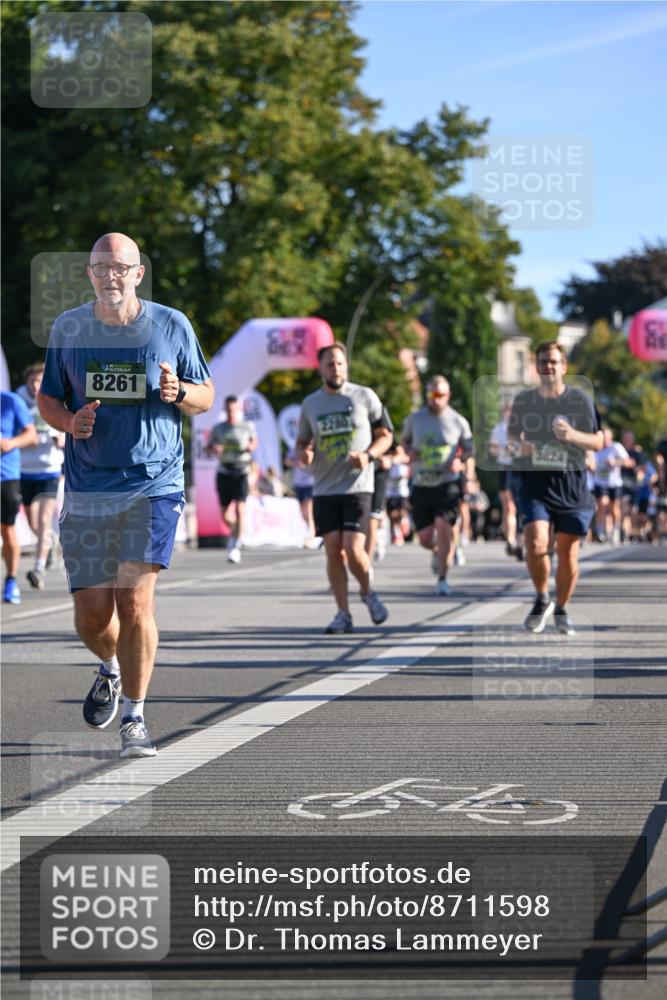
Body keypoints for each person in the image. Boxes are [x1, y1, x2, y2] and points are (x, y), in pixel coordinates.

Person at [38, 232, 214, 758]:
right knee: (92, 615)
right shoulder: (69, 328)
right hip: (90, 486)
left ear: (138, 273)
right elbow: (48, 397)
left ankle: (135, 717)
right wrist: (71, 421)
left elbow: (205, 395)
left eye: (121, 267)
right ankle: (110, 668)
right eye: (101, 268)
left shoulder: (170, 325)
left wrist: (177, 391)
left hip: (152, 484)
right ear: (89, 274)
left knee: (134, 602)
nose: (111, 276)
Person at [296, 341, 392, 633]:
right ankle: (343, 613)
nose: (335, 368)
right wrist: (304, 454)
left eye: (339, 363)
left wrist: (368, 455)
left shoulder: (364, 396)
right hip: (325, 488)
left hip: (358, 485)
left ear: (346, 366)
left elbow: (386, 435)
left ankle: (367, 591)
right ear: (320, 368)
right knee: (333, 551)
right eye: (329, 364)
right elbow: (302, 442)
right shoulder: (311, 404)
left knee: (352, 548)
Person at [508, 341, 603, 635]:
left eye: (553, 361)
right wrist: (517, 447)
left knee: (567, 554)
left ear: (564, 366)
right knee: (536, 544)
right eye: (543, 362)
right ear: (537, 367)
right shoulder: (524, 401)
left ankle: (561, 608)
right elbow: (510, 439)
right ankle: (541, 597)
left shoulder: (579, 400)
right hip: (535, 484)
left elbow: (599, 441)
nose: (548, 366)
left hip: (571, 486)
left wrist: (574, 435)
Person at [401, 375, 474, 596]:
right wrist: (408, 452)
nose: (435, 399)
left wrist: (461, 464)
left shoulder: (458, 421)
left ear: (448, 396)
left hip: (447, 484)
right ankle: (439, 552)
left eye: (440, 395)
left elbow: (470, 450)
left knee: (444, 528)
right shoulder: (415, 419)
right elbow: (403, 442)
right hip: (422, 483)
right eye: (431, 394)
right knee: (425, 538)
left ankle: (442, 578)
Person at [16, 362, 65, 588]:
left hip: (49, 470)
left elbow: (65, 434)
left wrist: (60, 438)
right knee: (34, 522)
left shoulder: (54, 400)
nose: (36, 386)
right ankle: (51, 540)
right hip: (25, 470)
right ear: (27, 383)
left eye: (40, 381)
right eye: (33, 381)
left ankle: (37, 569)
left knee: (44, 520)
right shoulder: (18, 404)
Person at [205, 396, 257, 563]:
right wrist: (214, 448)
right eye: (228, 410)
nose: (231, 413)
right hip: (224, 471)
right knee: (225, 514)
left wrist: (251, 447)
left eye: (234, 410)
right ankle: (236, 531)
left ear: (239, 410)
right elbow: (207, 448)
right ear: (225, 410)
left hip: (242, 470)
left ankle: (235, 546)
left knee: (240, 509)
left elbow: (254, 441)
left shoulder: (246, 426)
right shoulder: (218, 428)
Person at [1, 391, 37, 604]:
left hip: (5, 476)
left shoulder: (10, 401)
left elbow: (31, 435)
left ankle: (11, 580)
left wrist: (10, 443)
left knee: (7, 529)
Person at [489, 402, 521, 558]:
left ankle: (518, 538)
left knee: (518, 506)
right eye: (507, 410)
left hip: (520, 468)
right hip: (505, 468)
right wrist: (501, 449)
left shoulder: (522, 428)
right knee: (508, 506)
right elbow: (493, 451)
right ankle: (510, 539)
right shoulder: (498, 429)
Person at [592, 427, 630, 544]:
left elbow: (628, 462)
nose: (605, 441)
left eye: (607, 438)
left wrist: (615, 462)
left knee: (614, 507)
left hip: (614, 482)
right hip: (600, 482)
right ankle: (600, 531)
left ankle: (616, 531)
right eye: (603, 439)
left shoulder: (616, 447)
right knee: (602, 504)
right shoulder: (595, 449)